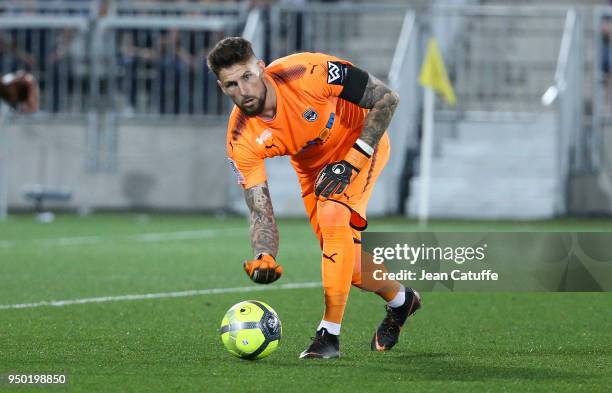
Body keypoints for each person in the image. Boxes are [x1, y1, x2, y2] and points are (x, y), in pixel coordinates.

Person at [207, 37, 421, 359]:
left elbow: (387, 99)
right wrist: (264, 253)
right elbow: (260, 209)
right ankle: (402, 301)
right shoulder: (240, 139)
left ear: (261, 68)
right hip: (313, 172)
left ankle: (329, 336)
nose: (243, 90)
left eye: (247, 77)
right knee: (348, 267)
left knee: (333, 213)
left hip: (360, 143)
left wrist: (352, 163)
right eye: (231, 85)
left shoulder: (308, 72)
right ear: (222, 88)